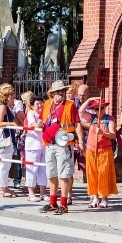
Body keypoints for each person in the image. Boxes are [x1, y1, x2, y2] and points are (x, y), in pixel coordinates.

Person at [40, 80, 83, 215]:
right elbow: (43, 120)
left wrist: (80, 141)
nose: (61, 94)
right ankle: (52, 202)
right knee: (51, 174)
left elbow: (77, 124)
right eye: (58, 92)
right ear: (52, 93)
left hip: (64, 144)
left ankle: (63, 204)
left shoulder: (70, 105)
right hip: (49, 144)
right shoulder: (47, 104)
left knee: (64, 175)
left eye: (63, 91)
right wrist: (40, 124)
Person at [79, 98, 118, 208]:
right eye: (96, 109)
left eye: (101, 108)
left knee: (103, 173)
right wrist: (90, 99)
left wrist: (103, 132)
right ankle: (95, 197)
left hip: (104, 151)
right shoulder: (92, 118)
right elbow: (81, 111)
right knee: (92, 174)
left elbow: (113, 135)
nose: (99, 111)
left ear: (105, 109)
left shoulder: (109, 119)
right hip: (91, 150)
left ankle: (104, 198)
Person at [0, 84, 18, 197]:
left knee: (5, 164)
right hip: (4, 137)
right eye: (11, 95)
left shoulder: (6, 107)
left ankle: (4, 186)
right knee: (4, 164)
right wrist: (11, 123)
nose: (13, 96)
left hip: (7, 137)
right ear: (6, 96)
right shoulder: (2, 107)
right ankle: (3, 188)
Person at [23, 96, 46, 202]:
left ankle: (43, 193)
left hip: (43, 144)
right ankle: (31, 193)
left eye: (41, 103)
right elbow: (33, 124)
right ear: (32, 105)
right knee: (32, 169)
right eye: (37, 104)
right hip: (33, 144)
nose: (40, 105)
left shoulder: (44, 113)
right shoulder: (31, 113)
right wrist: (38, 124)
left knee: (43, 169)